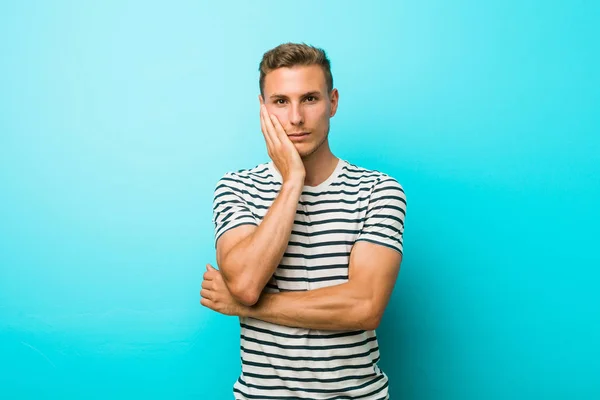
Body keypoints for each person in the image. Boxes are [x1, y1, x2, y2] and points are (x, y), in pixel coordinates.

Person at [200, 42, 407, 399]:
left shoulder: (377, 190)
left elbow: (364, 306)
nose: (295, 118)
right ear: (263, 108)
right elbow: (247, 282)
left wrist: (243, 306)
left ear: (333, 102)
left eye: (310, 99)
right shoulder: (236, 188)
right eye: (281, 101)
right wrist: (293, 180)